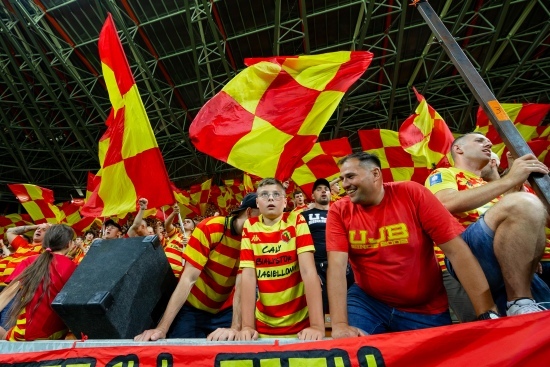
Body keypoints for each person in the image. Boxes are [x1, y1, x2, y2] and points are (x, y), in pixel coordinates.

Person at [327, 152, 499, 338]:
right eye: (342, 178)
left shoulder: (412, 193)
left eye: (351, 176)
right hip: (368, 303)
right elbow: (337, 267)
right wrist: (339, 325)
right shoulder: (339, 210)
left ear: (376, 174)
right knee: (356, 352)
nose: (345, 185)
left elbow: (457, 251)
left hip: (426, 309)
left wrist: (486, 311)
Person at [426, 132, 550, 316]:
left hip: (503, 260)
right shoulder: (444, 173)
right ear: (458, 149)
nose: (488, 143)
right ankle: (519, 301)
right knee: (487, 333)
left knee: (538, 324)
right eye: (479, 140)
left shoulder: (491, 187)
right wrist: (511, 179)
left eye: (488, 142)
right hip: (465, 258)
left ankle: (520, 303)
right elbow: (445, 203)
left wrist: (524, 250)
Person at [134, 193, 260, 341]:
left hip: (225, 310)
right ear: (250, 212)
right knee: (182, 355)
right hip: (191, 309)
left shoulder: (255, 240)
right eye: (263, 219)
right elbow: (188, 279)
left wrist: (234, 328)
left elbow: (241, 285)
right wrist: (161, 328)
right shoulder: (210, 227)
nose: (266, 226)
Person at [237, 178, 324, 340]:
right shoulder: (249, 226)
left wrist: (317, 326)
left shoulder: (296, 220)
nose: (270, 198)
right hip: (264, 326)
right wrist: (247, 326)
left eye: (276, 194)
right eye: (264, 195)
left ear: (285, 202)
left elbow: (308, 271)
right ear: (257, 203)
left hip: (301, 328)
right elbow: (248, 277)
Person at [0, 224, 77, 341]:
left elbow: (7, 294)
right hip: (57, 337)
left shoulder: (30, 261)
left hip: (24, 335)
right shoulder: (74, 268)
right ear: (69, 244)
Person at [302, 178, 353, 314]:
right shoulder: (303, 216)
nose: (323, 191)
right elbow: (298, 245)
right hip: (317, 269)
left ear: (331, 194)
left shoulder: (341, 214)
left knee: (346, 308)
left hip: (342, 268)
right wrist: (311, 271)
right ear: (312, 196)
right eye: (318, 189)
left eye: (326, 189)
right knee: (322, 310)